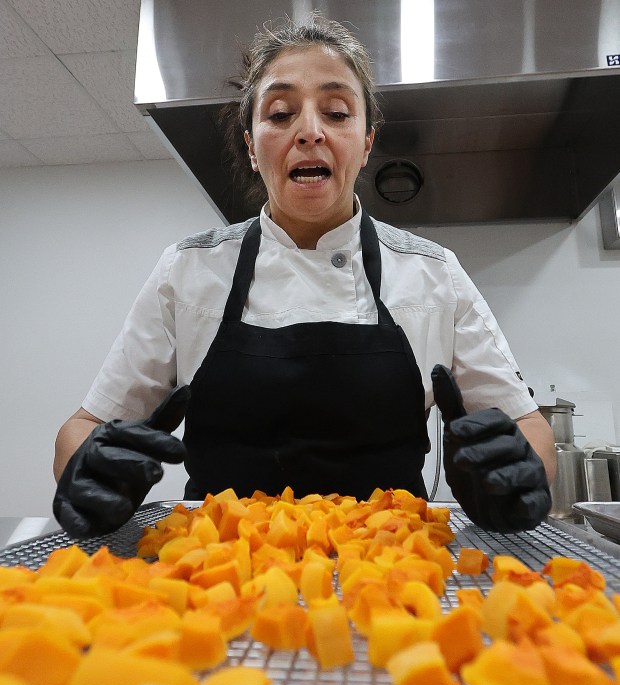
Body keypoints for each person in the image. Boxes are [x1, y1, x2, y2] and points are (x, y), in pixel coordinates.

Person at [53, 13, 555, 539]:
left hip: (395, 575)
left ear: (365, 144)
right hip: (219, 577)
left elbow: (530, 429)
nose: (310, 131)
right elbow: (83, 428)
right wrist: (86, 468)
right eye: (280, 113)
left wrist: (515, 476)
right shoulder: (190, 270)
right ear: (251, 146)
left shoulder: (433, 274)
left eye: (337, 112)